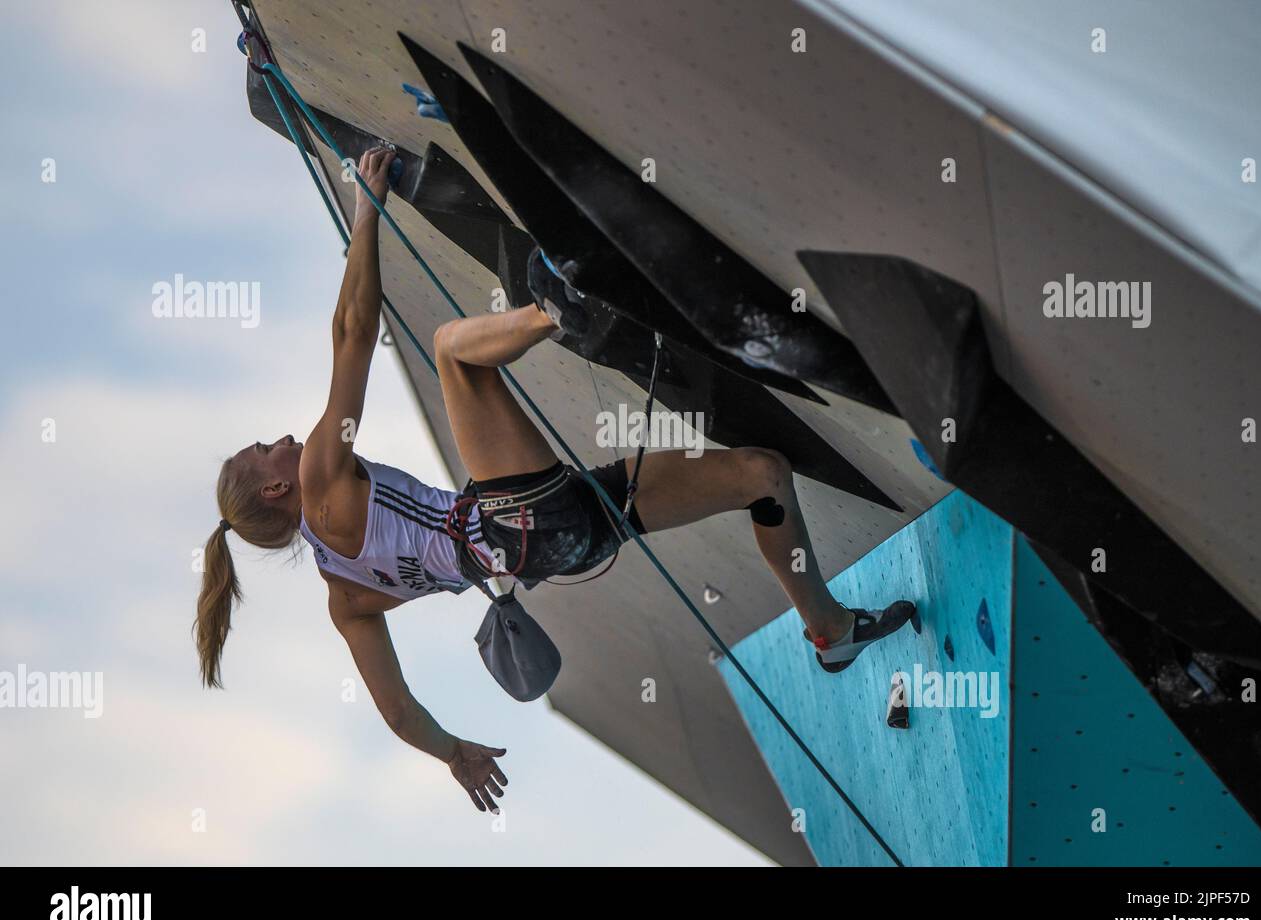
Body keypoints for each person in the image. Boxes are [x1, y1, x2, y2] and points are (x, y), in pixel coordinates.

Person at [194, 147, 915, 813]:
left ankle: (828, 629)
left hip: (562, 545)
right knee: (453, 352)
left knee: (765, 475)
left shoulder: (346, 601)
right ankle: (558, 307)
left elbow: (396, 711)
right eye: (267, 449)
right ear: (276, 493)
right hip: (516, 518)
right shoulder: (322, 477)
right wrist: (366, 208)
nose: (285, 439)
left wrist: (456, 755)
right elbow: (354, 330)